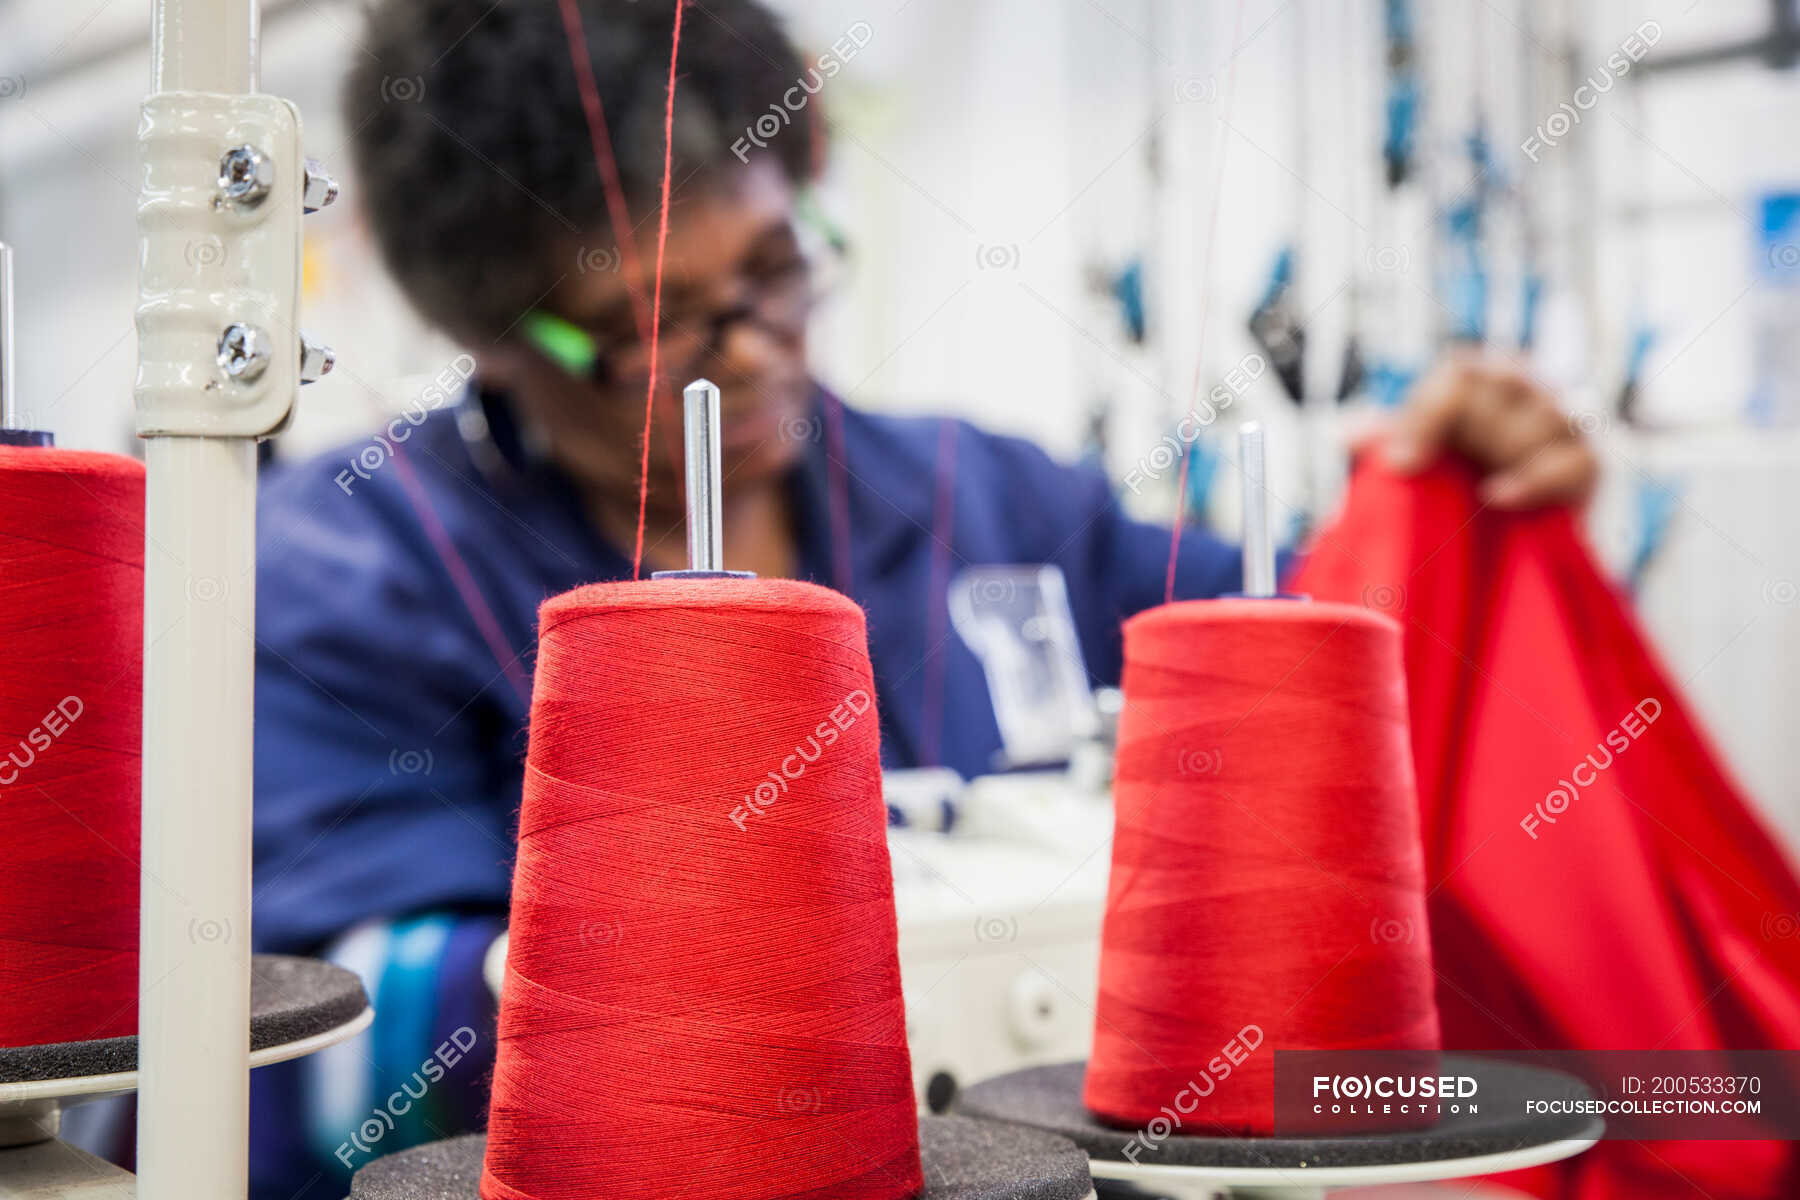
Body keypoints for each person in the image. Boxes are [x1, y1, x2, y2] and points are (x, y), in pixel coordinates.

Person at [246, 0, 1597, 1195]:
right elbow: (330, 1045)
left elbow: (1305, 672)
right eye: (654, 323)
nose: (757, 349)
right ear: (492, 333)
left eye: (775, 272)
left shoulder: (1000, 504)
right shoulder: (346, 576)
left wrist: (1453, 514)